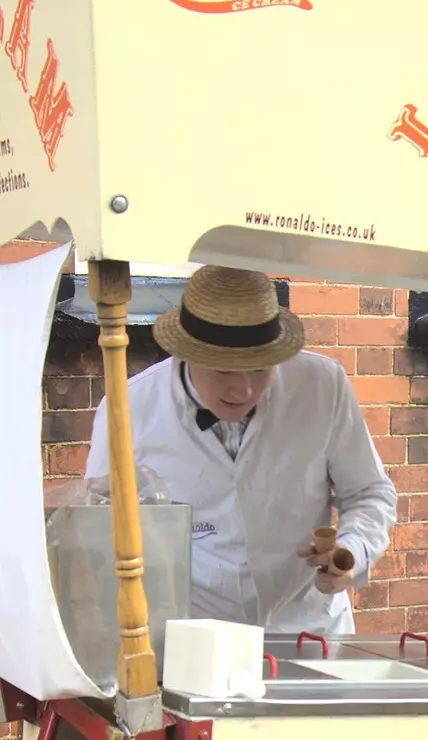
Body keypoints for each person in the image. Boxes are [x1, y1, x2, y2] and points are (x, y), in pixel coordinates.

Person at [86, 265, 396, 634]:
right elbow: (99, 526)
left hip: (308, 627)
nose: (244, 390)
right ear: (187, 354)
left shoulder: (321, 386)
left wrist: (351, 552)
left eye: (260, 370)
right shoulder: (130, 407)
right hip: (193, 637)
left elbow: (369, 492)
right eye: (224, 371)